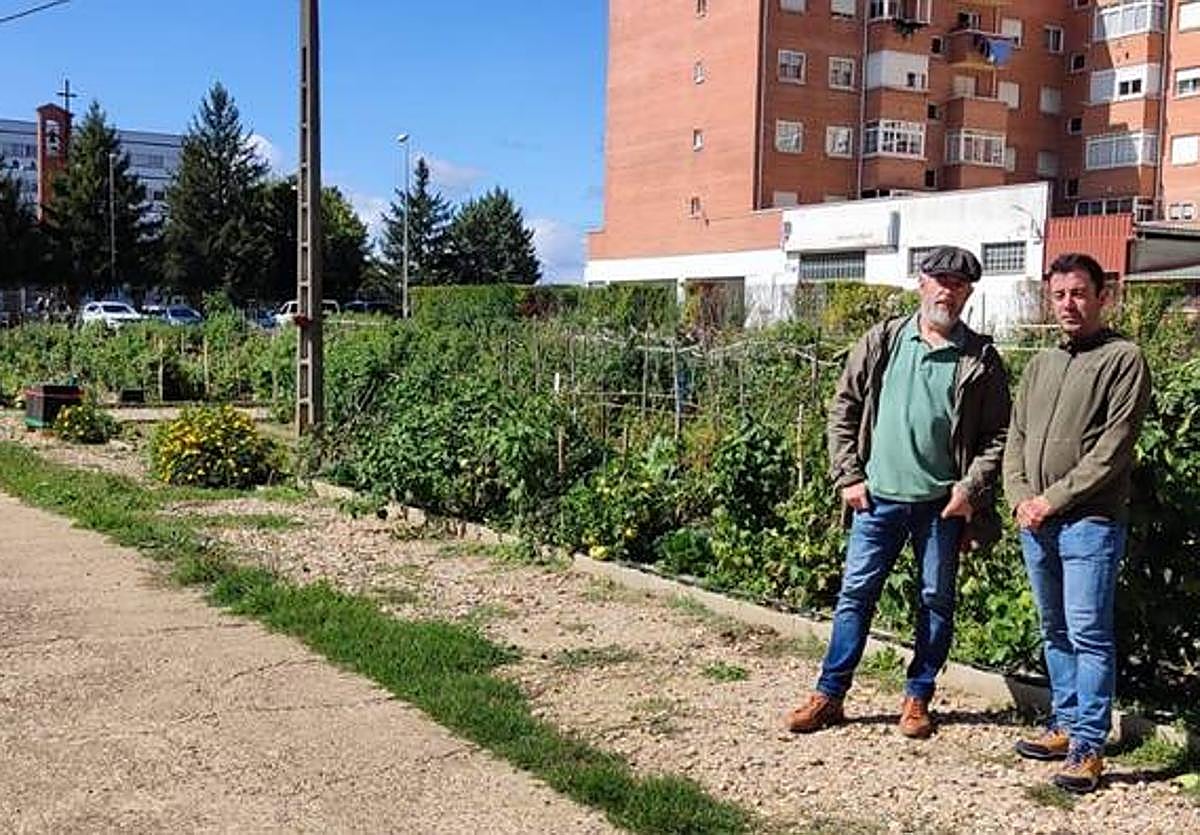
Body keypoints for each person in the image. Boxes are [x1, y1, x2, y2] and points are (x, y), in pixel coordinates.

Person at [786, 246, 1011, 739]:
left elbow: (999, 436)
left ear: (968, 292)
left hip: (941, 506)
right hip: (877, 499)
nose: (946, 291)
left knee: (935, 601)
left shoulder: (981, 359)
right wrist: (848, 475)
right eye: (938, 280)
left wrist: (971, 488)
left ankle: (917, 698)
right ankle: (830, 694)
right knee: (855, 597)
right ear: (921, 283)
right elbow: (843, 407)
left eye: (957, 284)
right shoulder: (885, 340)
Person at [1004, 252, 1151, 794]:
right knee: (1055, 629)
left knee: (1088, 632)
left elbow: (1113, 449)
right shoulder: (1042, 362)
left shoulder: (1123, 359)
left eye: (1079, 293)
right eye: (1059, 293)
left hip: (1090, 520)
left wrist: (1054, 499)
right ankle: (1064, 725)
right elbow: (1016, 436)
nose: (1068, 303)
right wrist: (1021, 496)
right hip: (1036, 520)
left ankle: (1090, 745)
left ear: (1102, 297)